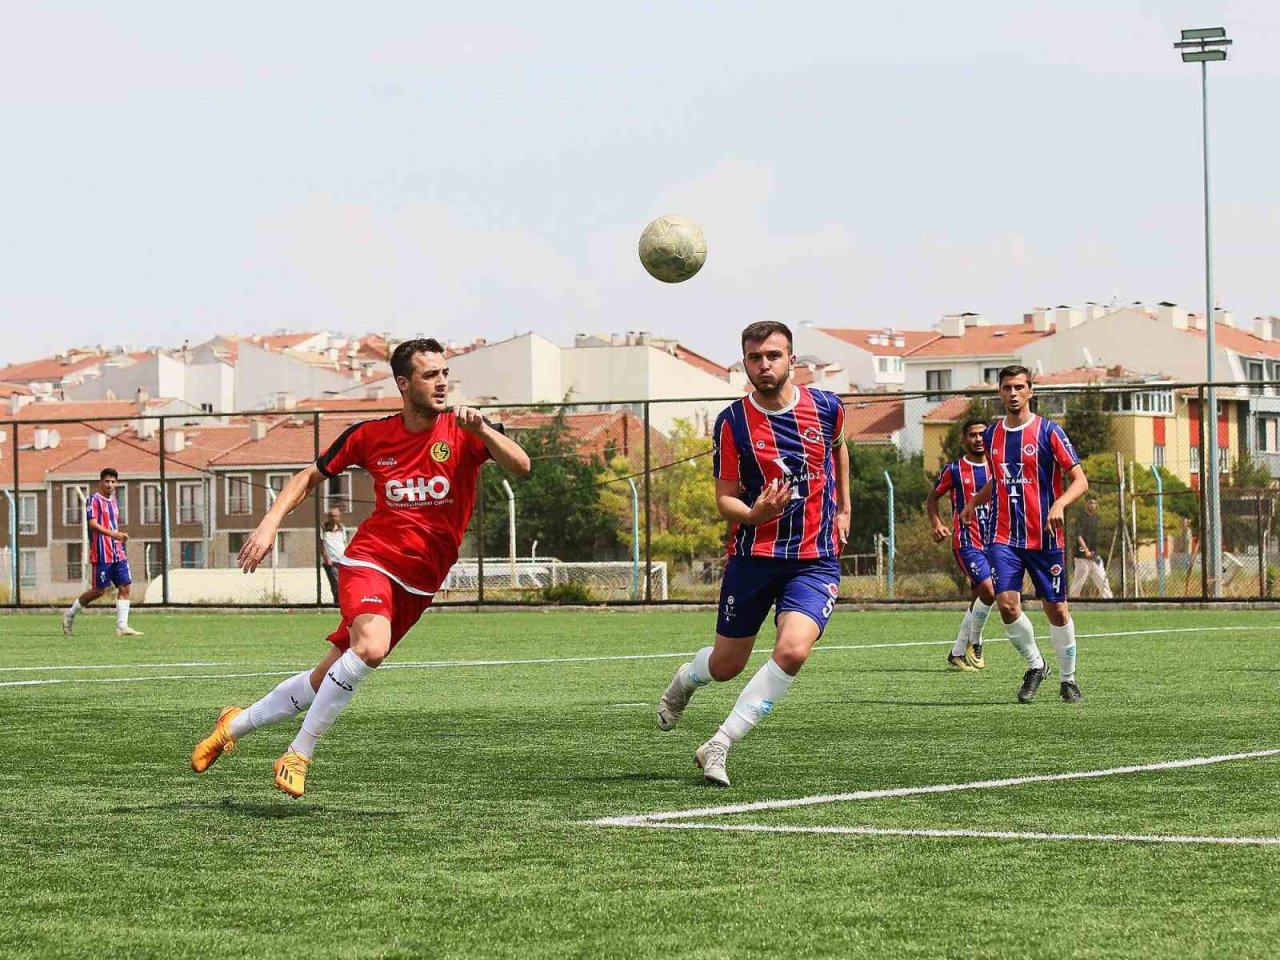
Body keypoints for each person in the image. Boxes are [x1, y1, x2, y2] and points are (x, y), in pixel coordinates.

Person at [191, 338, 531, 798]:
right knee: (370, 648)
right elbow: (308, 477)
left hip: (420, 582)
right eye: (430, 375)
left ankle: (233, 726)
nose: (442, 382)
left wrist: (485, 431)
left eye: (445, 373)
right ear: (403, 383)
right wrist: (270, 523)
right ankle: (299, 753)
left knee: (321, 682)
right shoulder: (371, 435)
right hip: (370, 560)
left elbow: (522, 465)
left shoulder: (466, 430)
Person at [655, 320, 850, 787]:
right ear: (745, 363)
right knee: (727, 666)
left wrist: (844, 509)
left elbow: (841, 452)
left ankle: (719, 743)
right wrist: (754, 512)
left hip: (814, 558)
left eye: (774, 356)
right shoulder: (733, 422)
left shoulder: (827, 408)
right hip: (753, 557)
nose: (765, 365)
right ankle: (686, 679)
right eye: (755, 358)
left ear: (793, 361)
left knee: (793, 649)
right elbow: (725, 498)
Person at [961, 366, 1089, 703]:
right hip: (1004, 537)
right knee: (1006, 603)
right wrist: (974, 501)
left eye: (1019, 387)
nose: (1013, 393)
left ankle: (1068, 679)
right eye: (1007, 388)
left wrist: (1059, 504)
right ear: (1000, 393)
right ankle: (1035, 665)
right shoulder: (991, 436)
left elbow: (1080, 480)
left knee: (1057, 611)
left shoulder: (1048, 432)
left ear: (1031, 391)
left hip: (1045, 537)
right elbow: (1000, 482)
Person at [926, 419, 995, 672]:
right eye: (973, 435)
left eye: (982, 435)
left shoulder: (998, 468)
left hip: (996, 542)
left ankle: (957, 652)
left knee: (979, 598)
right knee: (989, 591)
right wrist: (936, 524)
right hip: (967, 542)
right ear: (964, 439)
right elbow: (933, 497)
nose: (978, 439)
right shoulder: (955, 470)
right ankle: (976, 641)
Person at [62, 467, 142, 638]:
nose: (110, 485)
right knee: (99, 590)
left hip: (117, 552)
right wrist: (114, 534)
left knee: (125, 586)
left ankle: (122, 626)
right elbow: (93, 524)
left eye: (113, 482)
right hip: (101, 553)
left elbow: (113, 525)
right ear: (101, 482)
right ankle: (70, 614)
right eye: (107, 481)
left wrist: (119, 537)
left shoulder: (114, 502)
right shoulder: (93, 500)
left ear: (116, 483)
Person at [1071, 494, 1113, 599]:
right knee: (1078, 581)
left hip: (1094, 556)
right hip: (1082, 556)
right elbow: (1078, 535)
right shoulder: (1081, 518)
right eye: (1090, 503)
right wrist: (1086, 551)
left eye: (1094, 503)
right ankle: (1072, 601)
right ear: (1086, 504)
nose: (1093, 505)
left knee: (1102, 578)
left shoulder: (1095, 518)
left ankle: (1109, 600)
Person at [320, 505, 347, 605]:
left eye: (335, 516)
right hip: (330, 562)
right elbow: (320, 544)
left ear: (339, 517)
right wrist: (326, 557)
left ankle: (341, 602)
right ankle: (338, 602)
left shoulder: (342, 528)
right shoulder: (323, 528)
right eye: (331, 516)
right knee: (335, 582)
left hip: (342, 560)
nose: (333, 518)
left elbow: (344, 543)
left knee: (343, 583)